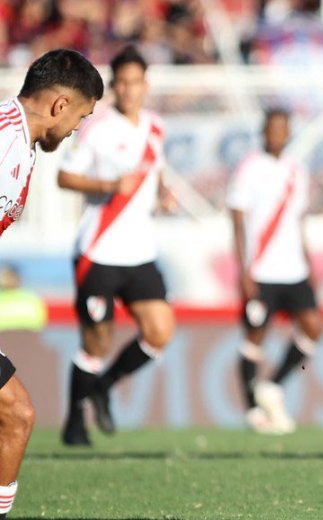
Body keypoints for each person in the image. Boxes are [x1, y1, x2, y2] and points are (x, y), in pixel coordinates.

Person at [0, 48, 103, 519]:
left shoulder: (20, 143)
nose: (76, 129)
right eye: (80, 118)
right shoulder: (4, 137)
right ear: (61, 105)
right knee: (16, 415)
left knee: (15, 415)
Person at [58, 45, 175, 446]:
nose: (128, 90)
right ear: (113, 86)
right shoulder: (97, 128)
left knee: (160, 331)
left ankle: (104, 385)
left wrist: (163, 194)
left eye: (135, 82)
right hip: (99, 250)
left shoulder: (156, 127)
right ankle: (74, 422)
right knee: (97, 340)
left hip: (140, 251)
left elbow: (156, 172)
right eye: (121, 83)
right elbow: (65, 177)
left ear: (146, 85)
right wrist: (109, 185)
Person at [226, 108, 323, 434]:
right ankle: (252, 410)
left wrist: (309, 263)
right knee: (255, 335)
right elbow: (237, 222)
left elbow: (298, 221)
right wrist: (243, 270)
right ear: (263, 132)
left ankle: (272, 385)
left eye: (283, 129)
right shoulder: (249, 168)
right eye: (272, 129)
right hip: (261, 270)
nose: (277, 134)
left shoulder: (297, 170)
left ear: (289, 132)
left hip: (293, 268)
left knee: (313, 326)